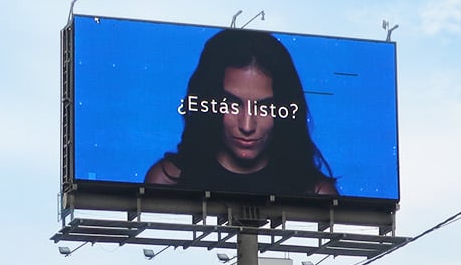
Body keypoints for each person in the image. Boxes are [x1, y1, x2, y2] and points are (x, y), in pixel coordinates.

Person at [144, 27, 338, 197]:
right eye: (232, 104)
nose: (247, 125)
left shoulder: (316, 193)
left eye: (264, 107)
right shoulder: (167, 181)